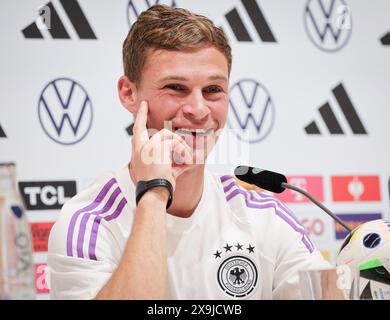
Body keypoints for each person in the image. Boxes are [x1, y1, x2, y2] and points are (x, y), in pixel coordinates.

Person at [47, 4, 330, 300]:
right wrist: (154, 192)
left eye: (213, 90)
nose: (198, 109)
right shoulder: (87, 224)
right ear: (129, 93)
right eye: (176, 88)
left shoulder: (261, 216)